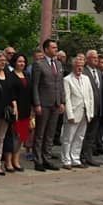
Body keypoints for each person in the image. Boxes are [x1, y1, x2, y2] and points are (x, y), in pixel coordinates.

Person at [31, 39, 64, 172]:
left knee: (50, 133)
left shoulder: (58, 64)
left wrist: (62, 101)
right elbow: (35, 86)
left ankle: (47, 158)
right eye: (53, 47)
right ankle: (37, 159)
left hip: (55, 103)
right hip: (44, 103)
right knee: (40, 133)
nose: (55, 49)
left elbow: (60, 85)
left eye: (56, 47)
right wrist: (37, 103)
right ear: (46, 49)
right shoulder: (39, 64)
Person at [62, 55, 94, 169]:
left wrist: (90, 112)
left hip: (84, 112)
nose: (80, 68)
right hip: (74, 112)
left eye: (81, 66)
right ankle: (66, 159)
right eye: (77, 66)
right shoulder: (67, 79)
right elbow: (67, 98)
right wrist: (69, 114)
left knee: (80, 137)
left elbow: (90, 96)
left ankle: (75, 158)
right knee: (68, 137)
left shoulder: (86, 78)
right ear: (73, 66)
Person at [5, 53, 32, 172]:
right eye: (19, 61)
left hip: (26, 108)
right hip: (15, 109)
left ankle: (16, 160)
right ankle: (8, 161)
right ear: (14, 62)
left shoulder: (26, 75)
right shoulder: (10, 76)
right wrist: (14, 106)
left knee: (22, 136)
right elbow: (10, 93)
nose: (22, 64)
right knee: (12, 137)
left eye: (23, 62)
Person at [80, 50, 103, 168]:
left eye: (97, 57)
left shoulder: (99, 72)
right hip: (87, 108)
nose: (96, 59)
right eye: (93, 57)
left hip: (98, 108)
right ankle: (81, 157)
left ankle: (88, 156)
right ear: (88, 59)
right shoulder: (83, 72)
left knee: (92, 135)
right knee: (83, 134)